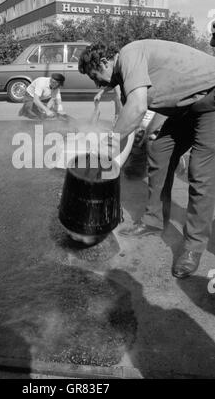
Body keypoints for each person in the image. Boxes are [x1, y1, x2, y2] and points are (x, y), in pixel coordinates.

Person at [78, 40, 215, 279]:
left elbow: (138, 107)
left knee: (199, 173)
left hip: (211, 100)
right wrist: (111, 160)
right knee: (159, 146)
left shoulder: (130, 55)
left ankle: (193, 247)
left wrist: (108, 145)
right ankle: (153, 220)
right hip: (187, 107)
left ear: (104, 62)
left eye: (94, 75)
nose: (97, 82)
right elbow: (126, 119)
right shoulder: (122, 74)